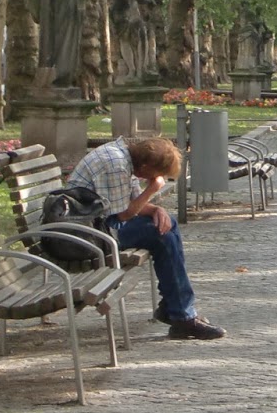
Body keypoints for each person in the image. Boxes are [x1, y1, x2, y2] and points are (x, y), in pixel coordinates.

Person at [68, 136, 225, 340]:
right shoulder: (116, 165)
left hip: (98, 224)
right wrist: (152, 189)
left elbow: (129, 204)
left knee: (166, 225)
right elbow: (123, 214)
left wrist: (156, 210)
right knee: (161, 235)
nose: (155, 178)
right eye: (155, 174)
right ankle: (179, 314)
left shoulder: (126, 157)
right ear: (144, 166)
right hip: (87, 236)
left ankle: (177, 311)